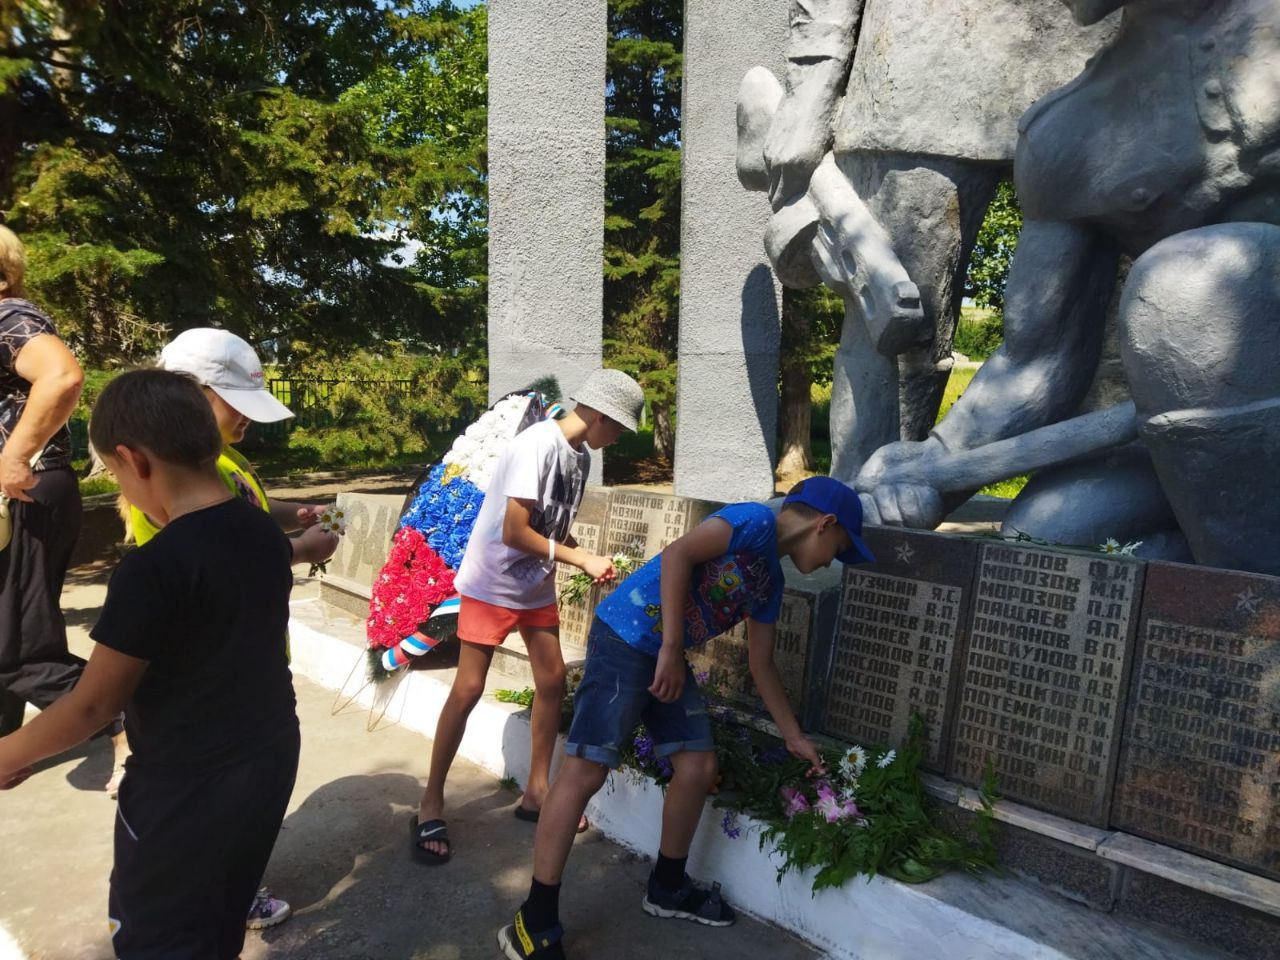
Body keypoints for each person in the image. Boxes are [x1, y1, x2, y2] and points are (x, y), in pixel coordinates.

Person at [498, 475, 876, 960]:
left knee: (697, 766)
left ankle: (667, 887)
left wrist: (794, 735)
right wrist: (673, 649)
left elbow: (761, 664)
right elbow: (678, 555)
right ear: (825, 524)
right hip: (626, 638)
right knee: (587, 768)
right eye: (839, 548)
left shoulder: (771, 584)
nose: (830, 562)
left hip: (664, 657)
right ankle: (534, 919)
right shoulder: (752, 521)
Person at [0, 369, 301, 960]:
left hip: (184, 791)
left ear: (133, 460)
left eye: (114, 473)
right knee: (216, 916)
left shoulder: (153, 568)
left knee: (157, 936)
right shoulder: (263, 534)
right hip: (266, 759)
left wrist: (8, 755)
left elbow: (92, 705)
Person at [113, 326, 339, 930]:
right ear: (190, 395)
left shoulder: (224, 462)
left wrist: (297, 515)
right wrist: (297, 548)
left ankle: (232, 886)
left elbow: (250, 510)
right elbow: (210, 562)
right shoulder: (164, 487)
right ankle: (223, 895)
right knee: (212, 804)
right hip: (208, 675)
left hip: (253, 659)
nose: (247, 419)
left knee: (239, 801)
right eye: (235, 402)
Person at [412, 368, 645, 865]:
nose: (619, 438)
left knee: (553, 679)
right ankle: (431, 799)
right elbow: (514, 531)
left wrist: (577, 548)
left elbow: (548, 524)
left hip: (534, 585)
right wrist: (579, 559)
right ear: (600, 415)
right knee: (469, 688)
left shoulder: (578, 456)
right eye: (620, 428)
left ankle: (537, 790)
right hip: (493, 582)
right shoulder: (536, 445)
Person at [0, 224, 91, 737]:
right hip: (20, 490)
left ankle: (129, 725)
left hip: (23, 490)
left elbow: (63, 376)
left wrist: (15, 455)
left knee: (20, 649)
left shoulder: (8, 316)